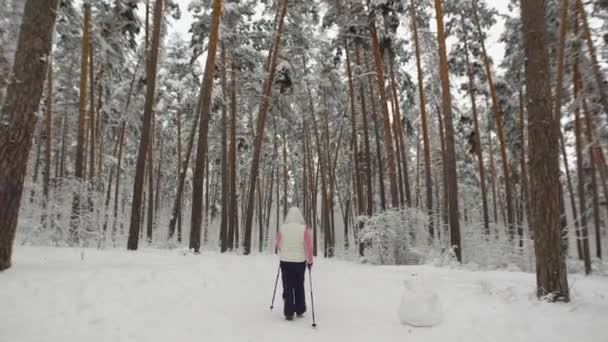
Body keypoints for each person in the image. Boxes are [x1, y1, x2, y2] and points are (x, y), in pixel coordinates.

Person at [275, 207, 313, 321]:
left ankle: (289, 312)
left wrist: (283, 251)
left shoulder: (282, 228)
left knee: (287, 286)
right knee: (299, 285)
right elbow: (308, 247)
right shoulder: (303, 229)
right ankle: (300, 309)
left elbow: (277, 244)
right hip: (300, 262)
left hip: (285, 261)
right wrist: (310, 261)